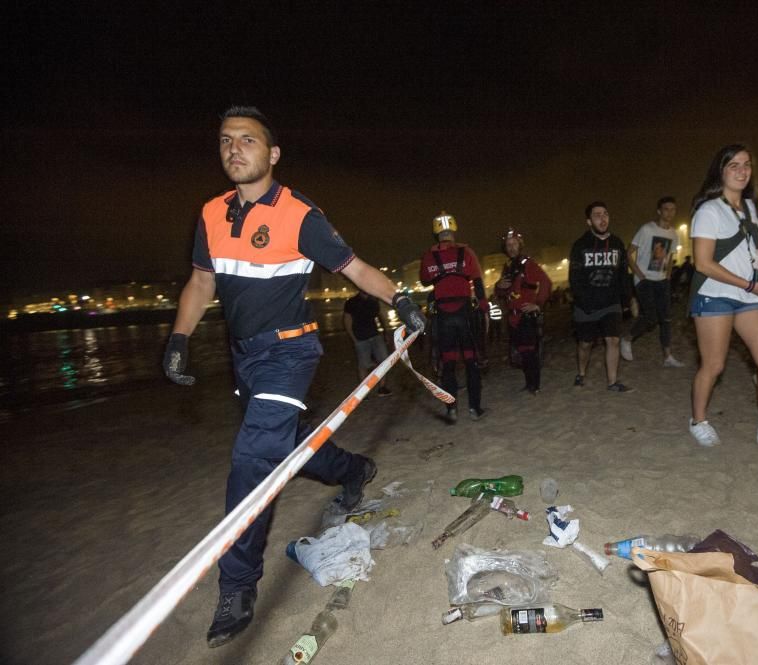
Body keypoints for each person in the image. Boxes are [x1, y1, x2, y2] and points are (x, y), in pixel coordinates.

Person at [161, 106, 427, 647]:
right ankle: (353, 469)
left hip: (290, 353)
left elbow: (353, 267)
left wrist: (399, 298)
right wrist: (179, 338)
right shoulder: (211, 213)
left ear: (272, 153)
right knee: (286, 446)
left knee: (252, 459)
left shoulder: (300, 214)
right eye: (225, 141)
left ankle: (237, 584)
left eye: (248, 141)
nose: (235, 149)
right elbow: (199, 281)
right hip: (243, 357)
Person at [687, 144, 758, 461]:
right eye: (733, 165)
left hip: (750, 295)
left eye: (747, 164)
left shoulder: (751, 208)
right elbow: (703, 263)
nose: (742, 170)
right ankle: (698, 420)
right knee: (714, 365)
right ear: (720, 171)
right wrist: (751, 284)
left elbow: (755, 252)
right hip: (714, 294)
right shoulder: (708, 211)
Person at [419, 211, 490, 422]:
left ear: (436, 234)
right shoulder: (466, 252)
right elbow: (477, 280)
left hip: (444, 316)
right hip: (464, 312)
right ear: (454, 230)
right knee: (471, 360)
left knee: (447, 363)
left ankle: (451, 409)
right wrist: (484, 307)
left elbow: (424, 280)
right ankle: (474, 409)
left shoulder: (429, 256)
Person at [569, 202, 633, 392]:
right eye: (597, 215)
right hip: (586, 304)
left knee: (613, 340)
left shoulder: (617, 243)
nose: (602, 218)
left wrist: (627, 299)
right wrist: (583, 301)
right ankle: (581, 373)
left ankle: (612, 382)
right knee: (585, 344)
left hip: (611, 302)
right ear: (589, 221)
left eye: (605, 214)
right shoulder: (580, 246)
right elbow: (574, 277)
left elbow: (623, 272)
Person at [619, 196, 685, 368]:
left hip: (662, 280)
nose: (670, 213)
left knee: (666, 319)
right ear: (659, 211)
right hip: (644, 279)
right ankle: (627, 339)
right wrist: (639, 275)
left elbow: (670, 256)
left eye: (673, 209)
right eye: (666, 209)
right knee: (651, 317)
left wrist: (669, 275)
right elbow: (628, 253)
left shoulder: (673, 234)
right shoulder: (647, 229)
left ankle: (668, 357)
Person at [493, 227, 553, 393]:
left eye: (514, 244)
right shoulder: (508, 267)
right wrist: (498, 287)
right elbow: (501, 293)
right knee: (521, 352)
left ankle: (535, 386)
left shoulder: (529, 264)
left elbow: (546, 282)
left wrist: (538, 303)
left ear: (520, 245)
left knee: (530, 351)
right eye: (508, 244)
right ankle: (529, 384)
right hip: (512, 318)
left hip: (526, 316)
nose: (511, 247)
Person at [343, 290, 393, 395]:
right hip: (360, 338)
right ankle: (363, 392)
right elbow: (347, 321)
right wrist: (354, 339)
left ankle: (382, 388)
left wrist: (385, 332)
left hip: (375, 335)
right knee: (363, 365)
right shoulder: (351, 302)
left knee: (384, 361)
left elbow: (380, 316)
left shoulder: (373, 300)